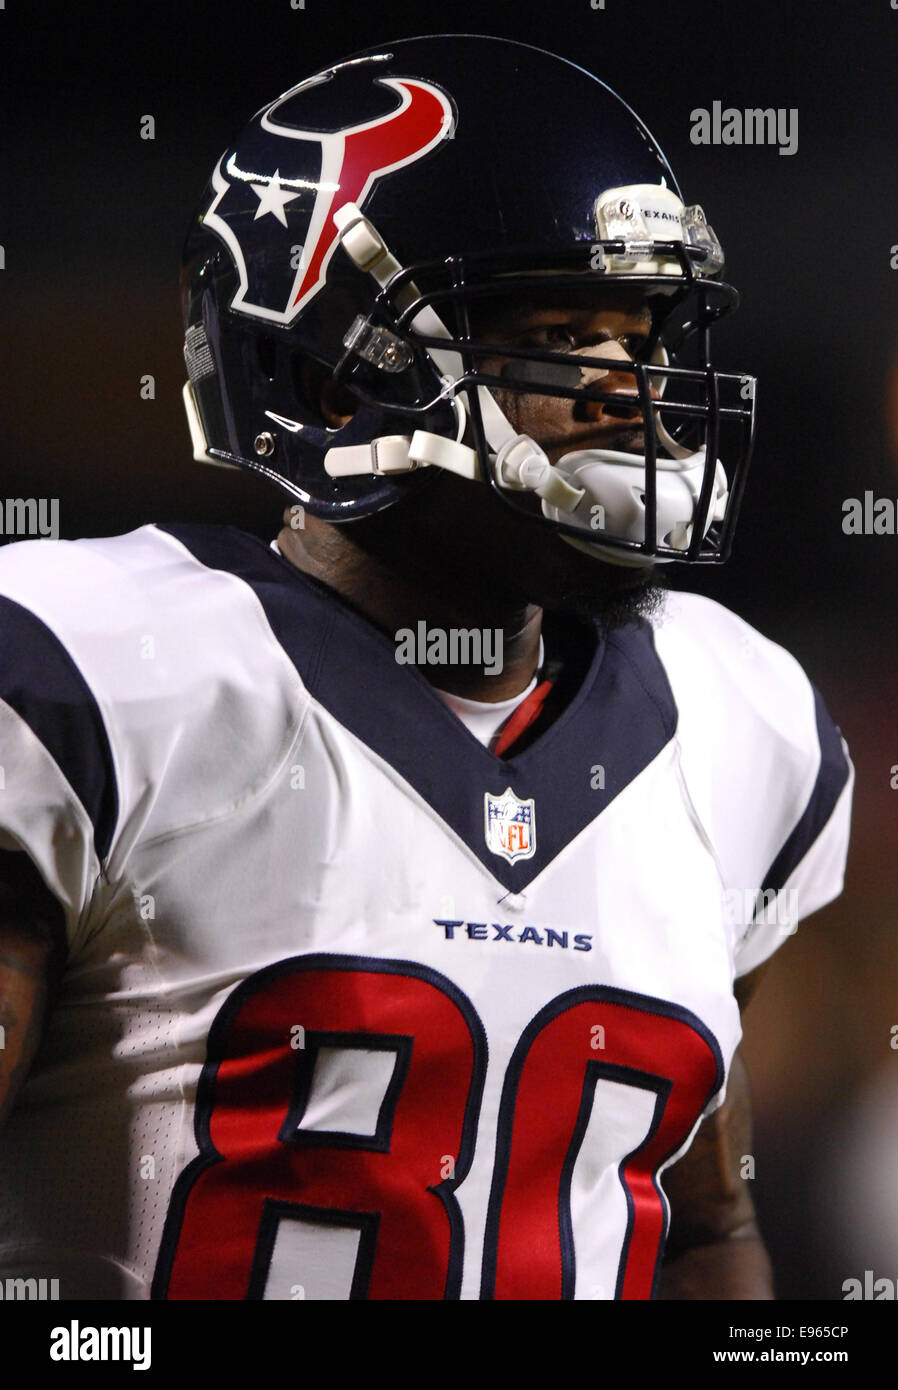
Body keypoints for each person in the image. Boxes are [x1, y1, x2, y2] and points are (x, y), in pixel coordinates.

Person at [0, 34, 852, 1300]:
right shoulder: (102, 679)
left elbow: (699, 1224)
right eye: (564, 332)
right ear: (332, 376)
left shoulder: (743, 726)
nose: (632, 391)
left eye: (640, 334)